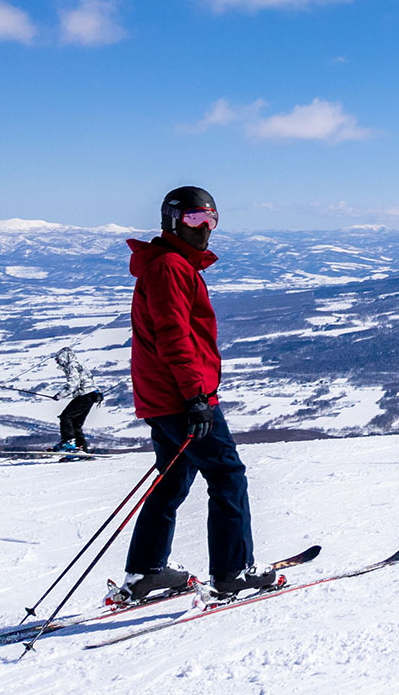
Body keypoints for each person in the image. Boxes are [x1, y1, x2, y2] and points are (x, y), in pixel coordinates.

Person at [120, 186, 275, 601]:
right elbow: (174, 336)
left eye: (211, 220)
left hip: (163, 395)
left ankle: (146, 571)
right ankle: (233, 572)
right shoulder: (170, 266)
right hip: (182, 396)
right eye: (194, 219)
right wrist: (196, 397)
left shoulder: (170, 265)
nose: (205, 228)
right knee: (227, 475)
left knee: (172, 479)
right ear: (172, 221)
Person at [50, 347, 103, 453]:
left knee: (66, 416)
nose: (58, 363)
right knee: (76, 423)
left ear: (64, 358)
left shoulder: (72, 366)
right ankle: (81, 449)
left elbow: (73, 383)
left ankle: (68, 441)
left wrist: (60, 395)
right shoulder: (80, 365)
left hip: (84, 395)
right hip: (92, 395)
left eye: (58, 360)